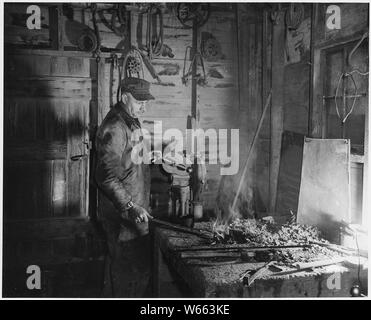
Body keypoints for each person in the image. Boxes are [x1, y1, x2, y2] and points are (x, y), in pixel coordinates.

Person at [95, 77, 154, 297]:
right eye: (139, 101)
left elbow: (128, 161)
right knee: (129, 270)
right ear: (124, 97)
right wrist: (130, 205)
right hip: (121, 215)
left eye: (146, 101)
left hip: (131, 211)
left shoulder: (130, 120)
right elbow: (106, 176)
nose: (144, 106)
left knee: (124, 266)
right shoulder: (115, 126)